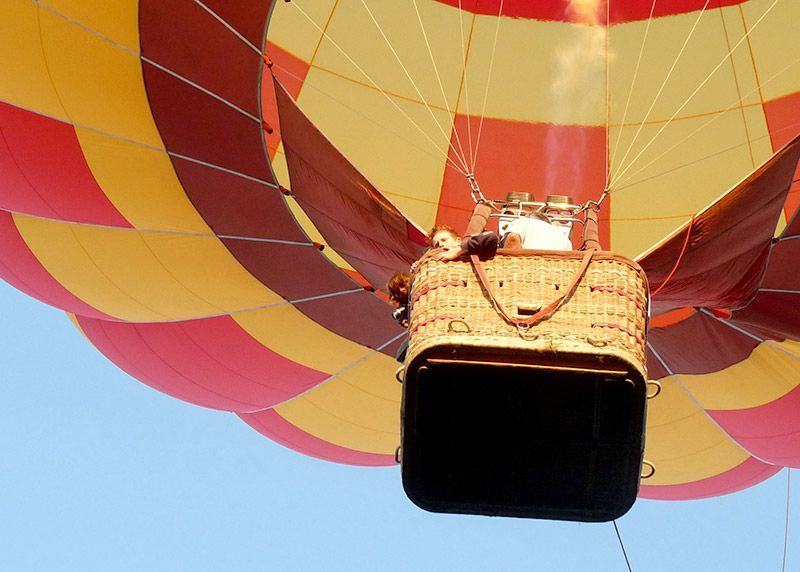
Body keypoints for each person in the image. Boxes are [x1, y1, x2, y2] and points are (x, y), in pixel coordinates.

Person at [387, 271, 411, 362]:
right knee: (400, 356)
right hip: (417, 331)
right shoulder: (403, 306)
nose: (402, 290)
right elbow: (401, 318)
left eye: (402, 286)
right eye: (398, 290)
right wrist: (403, 322)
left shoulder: (420, 292)